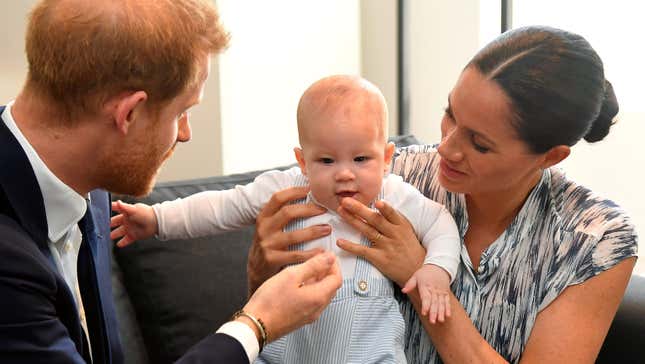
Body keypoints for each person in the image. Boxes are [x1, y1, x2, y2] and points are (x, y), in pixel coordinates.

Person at [247, 26, 639, 363]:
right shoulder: (390, 175)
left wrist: (421, 275)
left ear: (550, 157)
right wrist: (260, 270)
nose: (446, 148)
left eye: (479, 144)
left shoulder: (595, 238)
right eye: (450, 114)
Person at [0, 0, 342, 363]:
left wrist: (260, 285)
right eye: (182, 112)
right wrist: (256, 324)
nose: (185, 133)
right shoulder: (9, 262)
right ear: (129, 113)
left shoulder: (91, 183)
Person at [110, 74, 461, 363]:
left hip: (369, 353)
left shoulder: (394, 195)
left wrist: (435, 271)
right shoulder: (286, 189)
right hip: (288, 350)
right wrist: (156, 219)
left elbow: (441, 225)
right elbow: (221, 207)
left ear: (386, 158)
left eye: (360, 159)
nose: (345, 175)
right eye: (326, 161)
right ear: (302, 161)